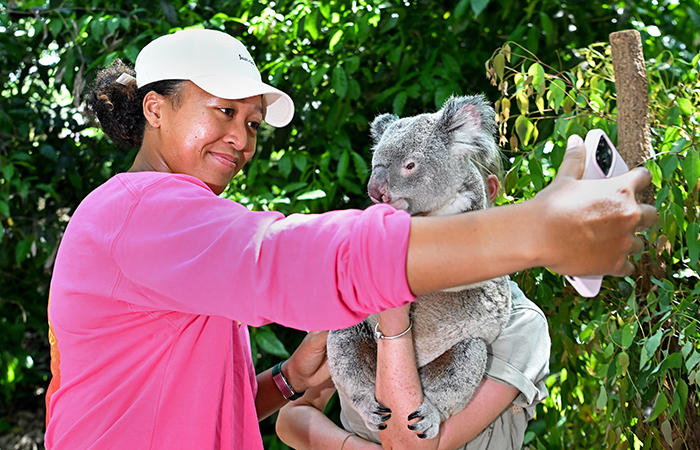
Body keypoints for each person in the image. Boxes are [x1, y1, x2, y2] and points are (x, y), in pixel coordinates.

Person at [43, 28, 657, 450]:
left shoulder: (159, 222)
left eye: (252, 122)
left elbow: (170, 406)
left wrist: (284, 383)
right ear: (156, 109)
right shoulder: (142, 211)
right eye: (224, 111)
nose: (243, 138)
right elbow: (298, 258)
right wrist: (535, 231)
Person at [276, 173, 551, 450]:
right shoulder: (365, 288)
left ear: (486, 190)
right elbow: (292, 416)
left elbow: (412, 446)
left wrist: (393, 320)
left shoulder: (519, 321)